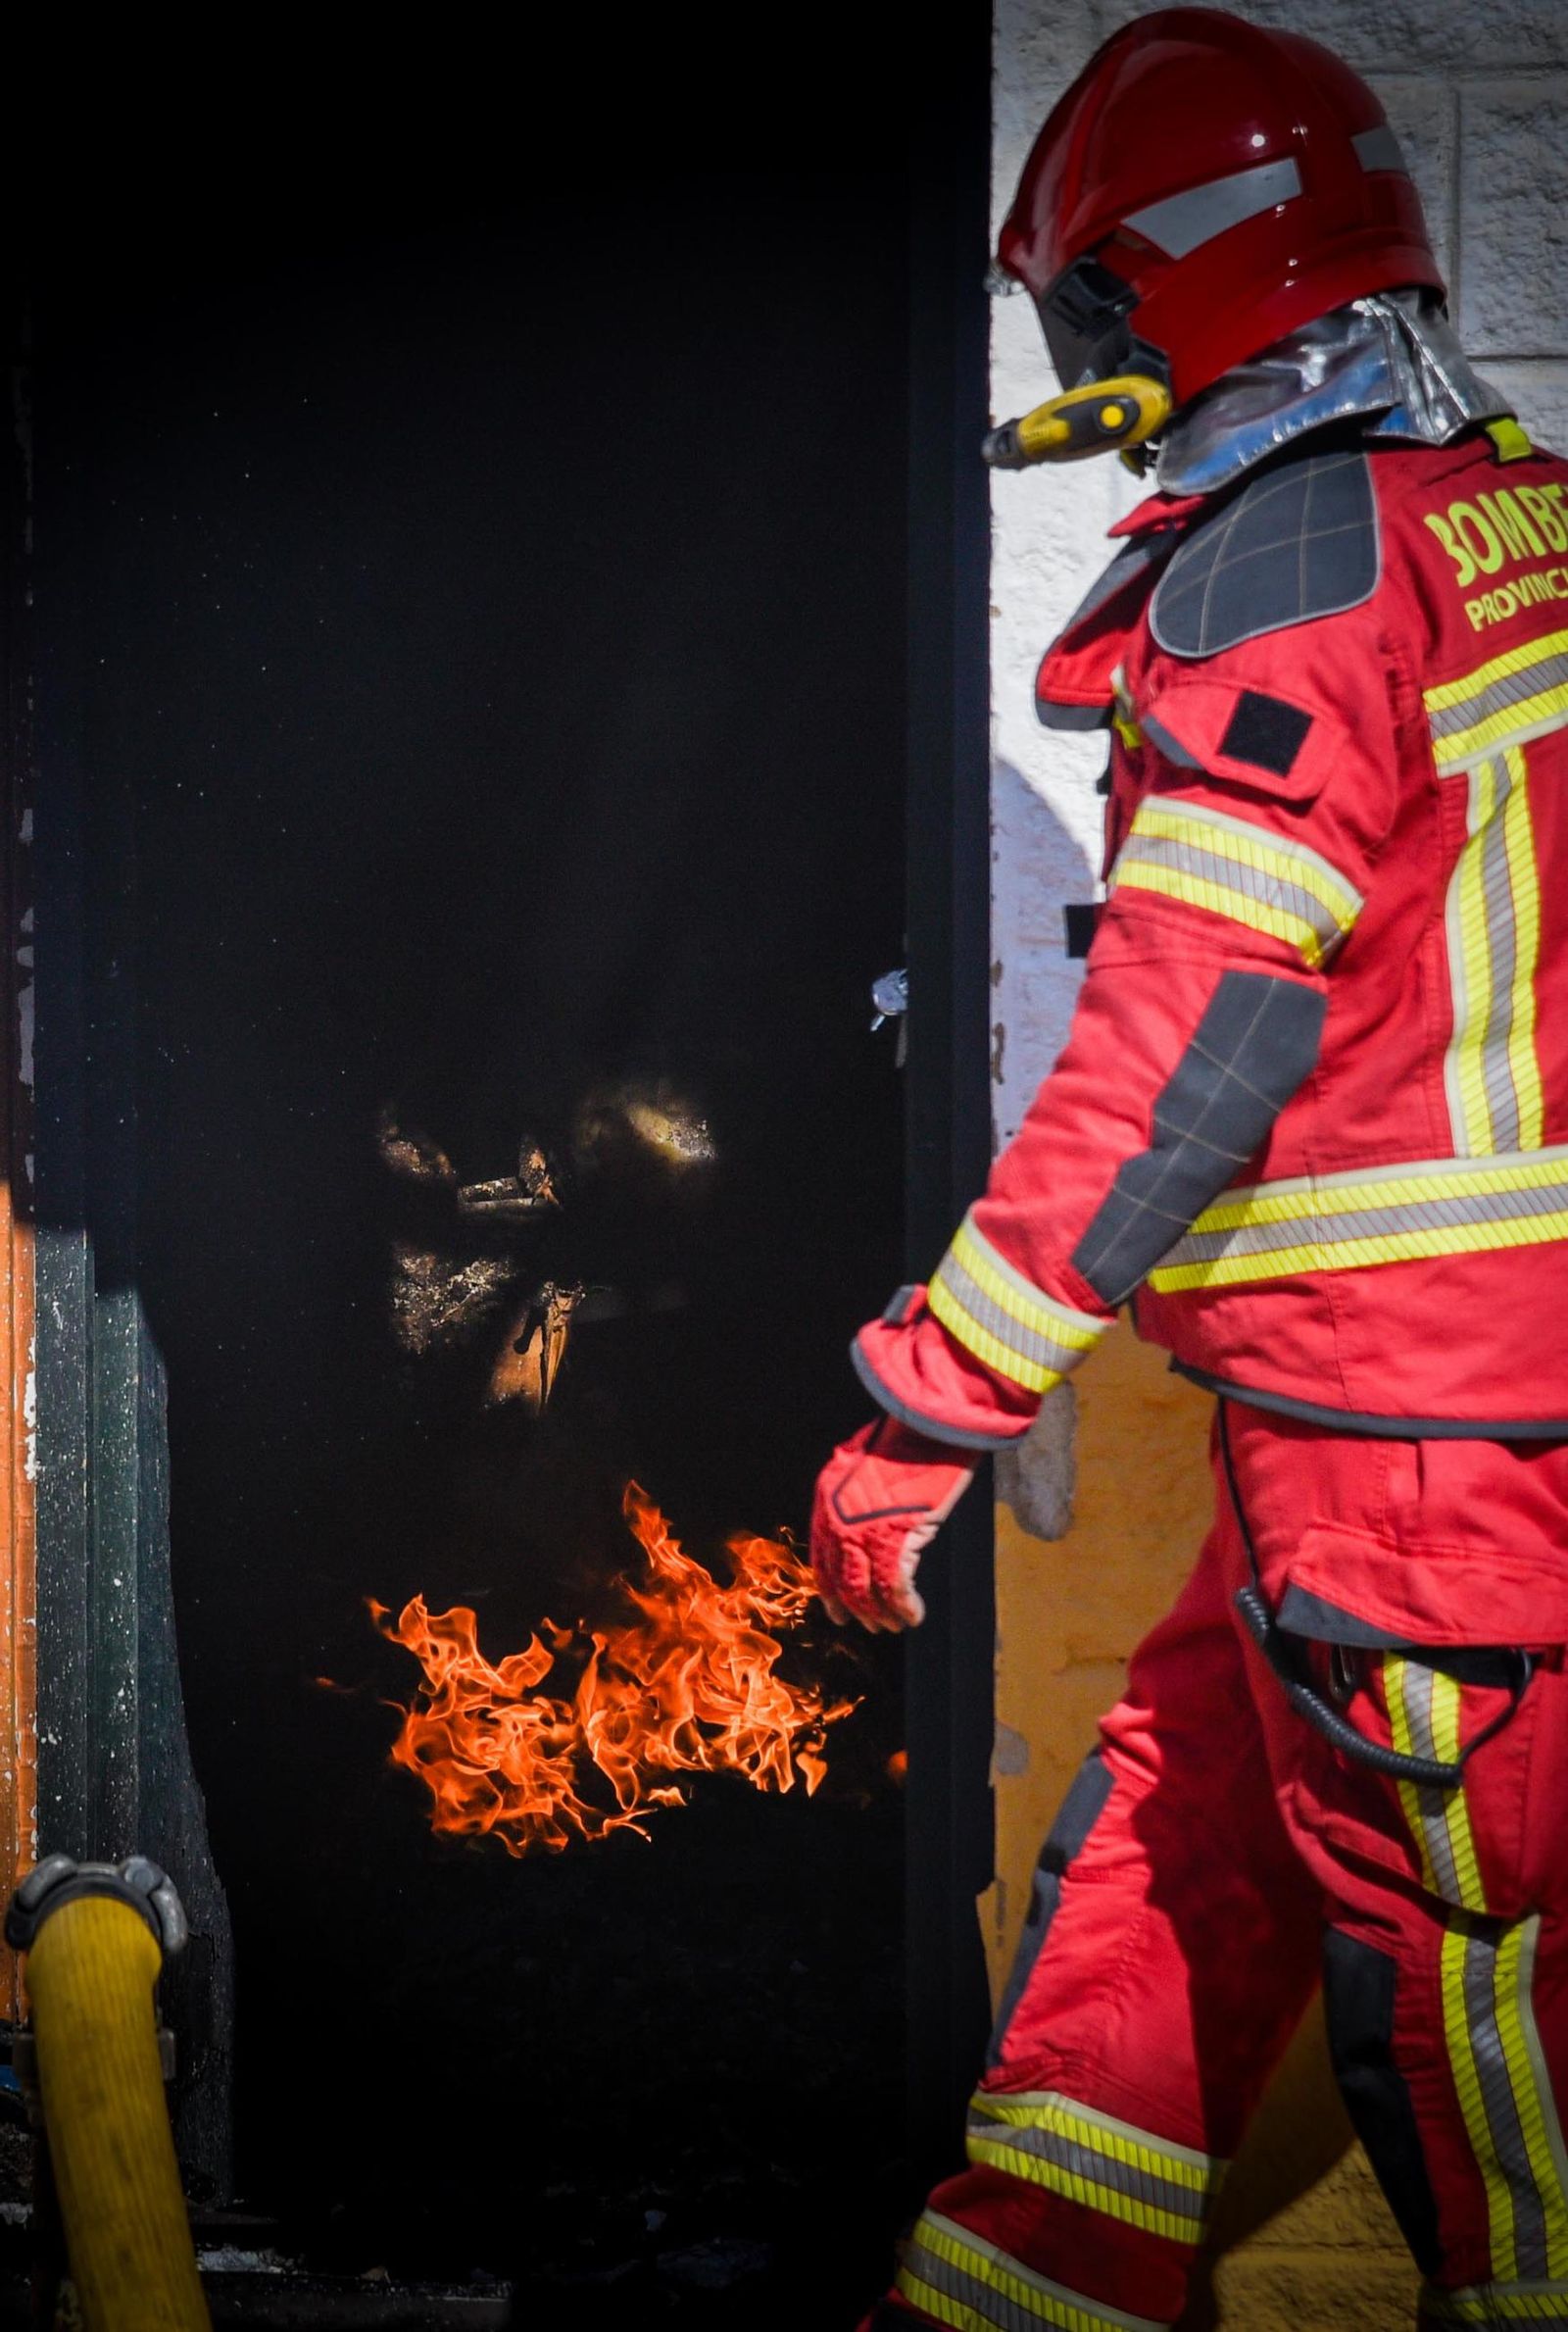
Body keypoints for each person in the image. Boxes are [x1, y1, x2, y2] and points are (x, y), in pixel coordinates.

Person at [810, 12, 1568, 2329]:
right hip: (1391, 1437)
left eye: (1091, 317)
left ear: (1162, 287)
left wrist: (929, 1404)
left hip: (1411, 1457)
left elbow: (1178, 1057)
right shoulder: (1503, 517)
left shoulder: (1293, 582)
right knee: (1164, 1849)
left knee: (1464, 2018)